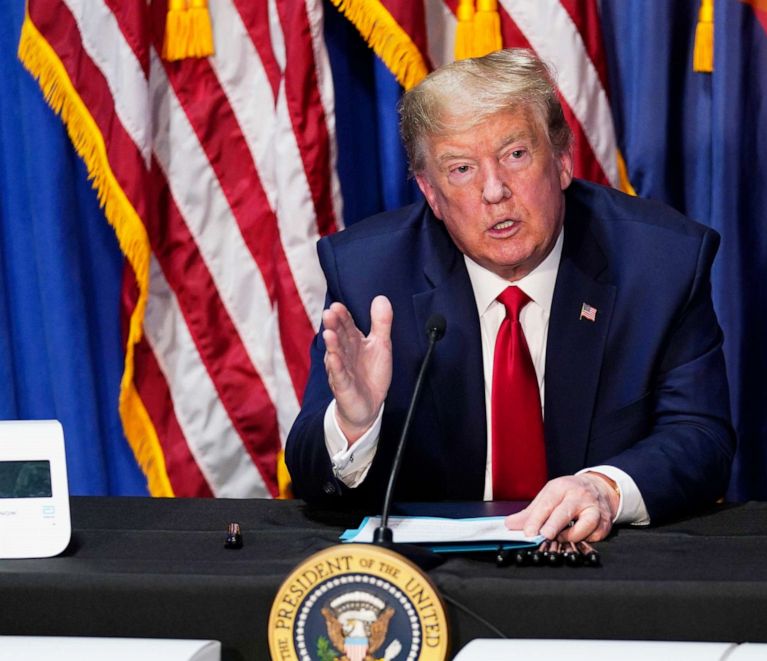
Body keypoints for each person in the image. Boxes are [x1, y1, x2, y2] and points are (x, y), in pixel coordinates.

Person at [286, 48, 735, 543]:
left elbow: (700, 437)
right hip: (437, 576)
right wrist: (354, 425)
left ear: (562, 161)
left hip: (603, 566)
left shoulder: (660, 262)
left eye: (515, 155)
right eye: (460, 169)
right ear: (431, 194)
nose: (494, 190)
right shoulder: (370, 273)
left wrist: (605, 488)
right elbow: (310, 475)